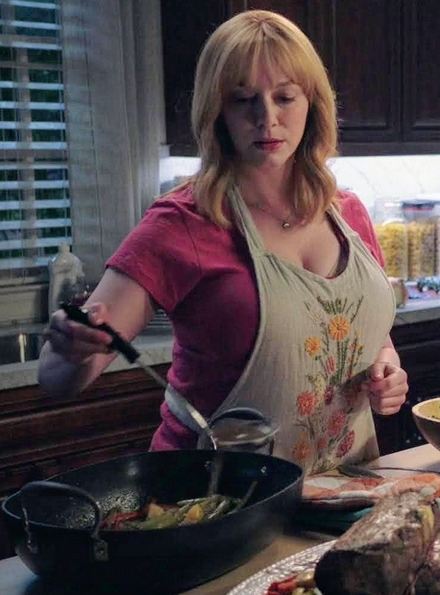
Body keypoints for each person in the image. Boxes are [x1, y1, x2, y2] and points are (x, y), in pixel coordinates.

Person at [38, 9, 408, 474]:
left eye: (284, 97)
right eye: (243, 99)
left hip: (344, 491)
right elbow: (60, 377)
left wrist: (387, 369)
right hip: (215, 497)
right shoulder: (182, 223)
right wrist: (70, 349)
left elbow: (373, 338)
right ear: (218, 111)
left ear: (312, 103)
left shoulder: (347, 213)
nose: (266, 118)